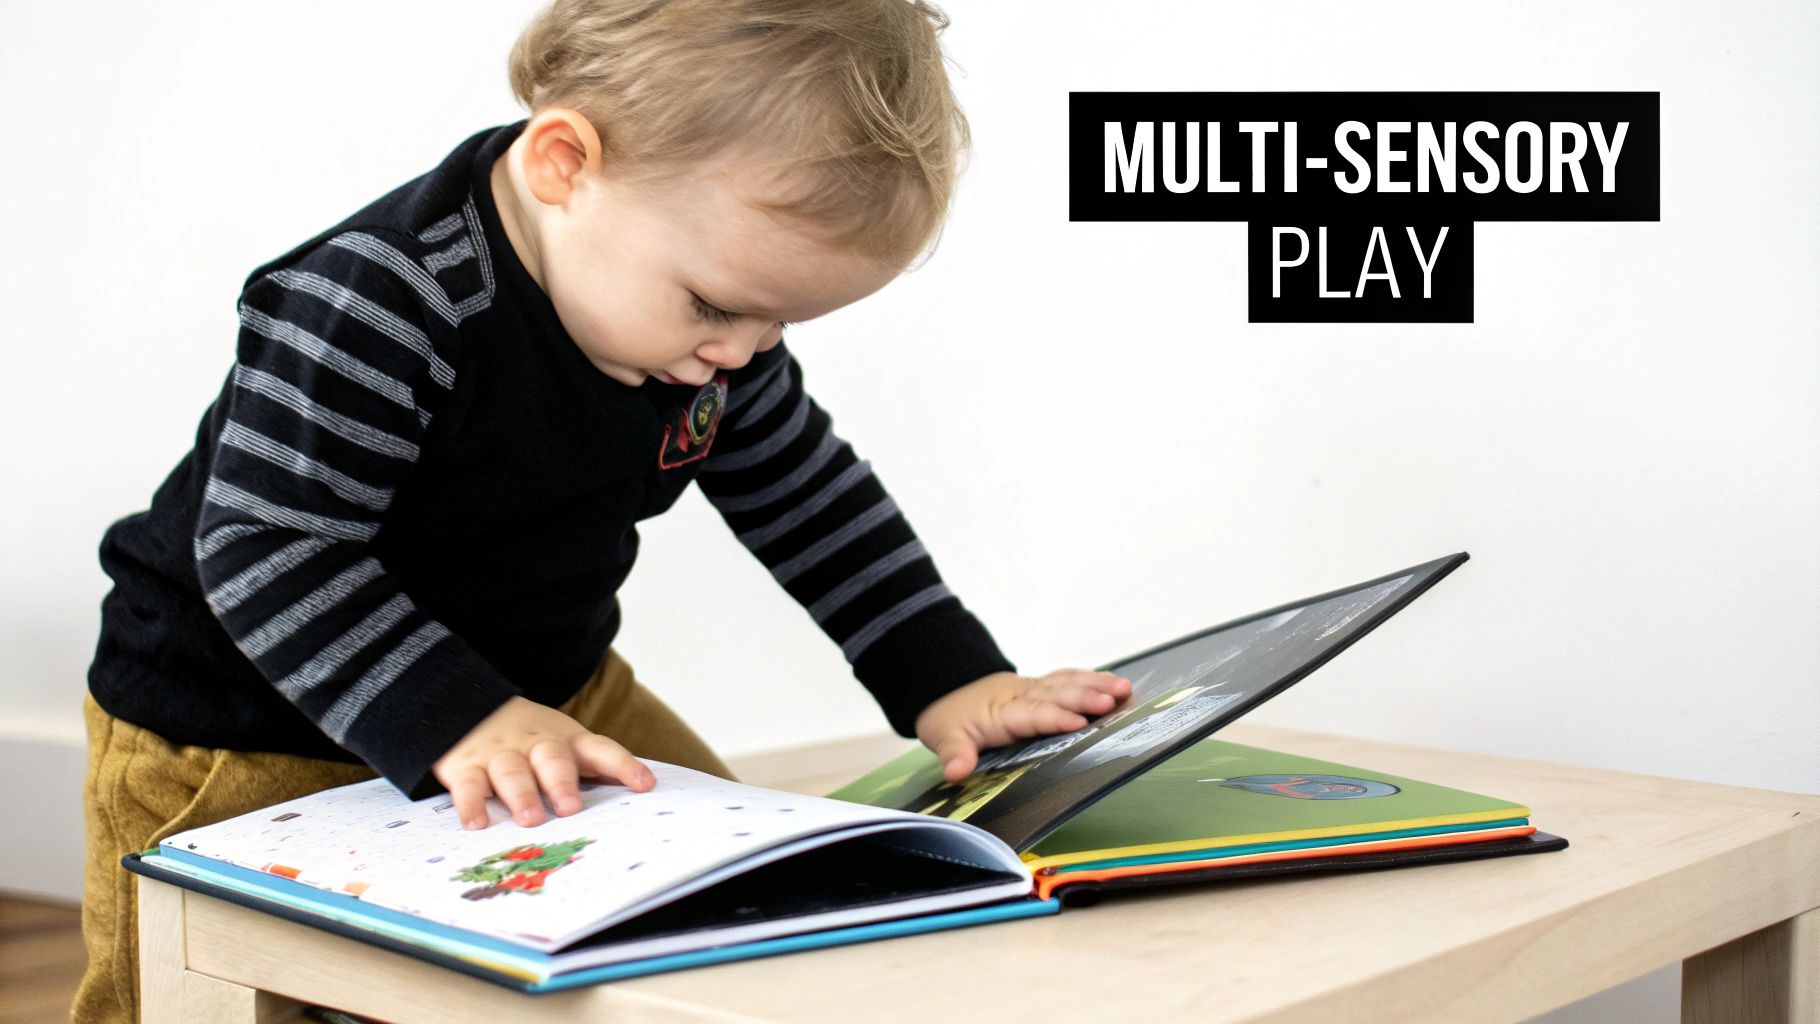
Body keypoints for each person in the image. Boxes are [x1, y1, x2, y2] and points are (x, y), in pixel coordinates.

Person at [75, 1, 1132, 1020]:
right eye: (718, 305)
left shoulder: (709, 343)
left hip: (543, 694)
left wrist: (951, 677)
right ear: (563, 165)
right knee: (198, 987)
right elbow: (271, 547)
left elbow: (809, 497)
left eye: (778, 320)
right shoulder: (381, 301)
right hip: (235, 723)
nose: (742, 352)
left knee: (749, 902)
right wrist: (462, 718)